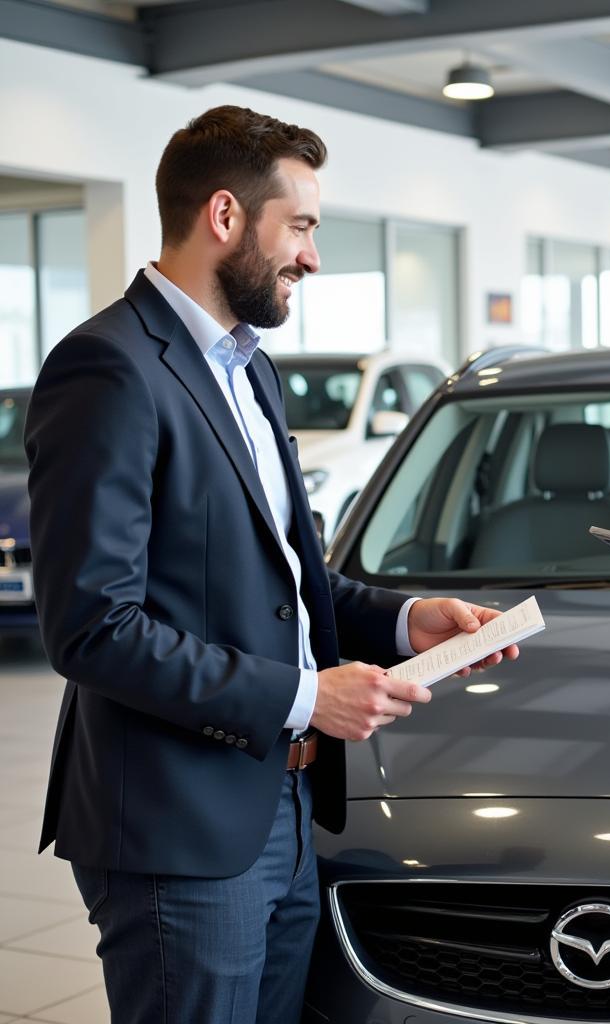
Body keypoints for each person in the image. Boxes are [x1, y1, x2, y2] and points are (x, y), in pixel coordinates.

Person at [24, 105, 519, 1024]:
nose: (312, 257)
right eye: (300, 227)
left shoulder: (249, 368)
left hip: (283, 807)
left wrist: (412, 621)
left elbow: (288, 580)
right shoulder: (109, 370)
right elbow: (94, 627)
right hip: (181, 828)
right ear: (224, 217)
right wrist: (306, 698)